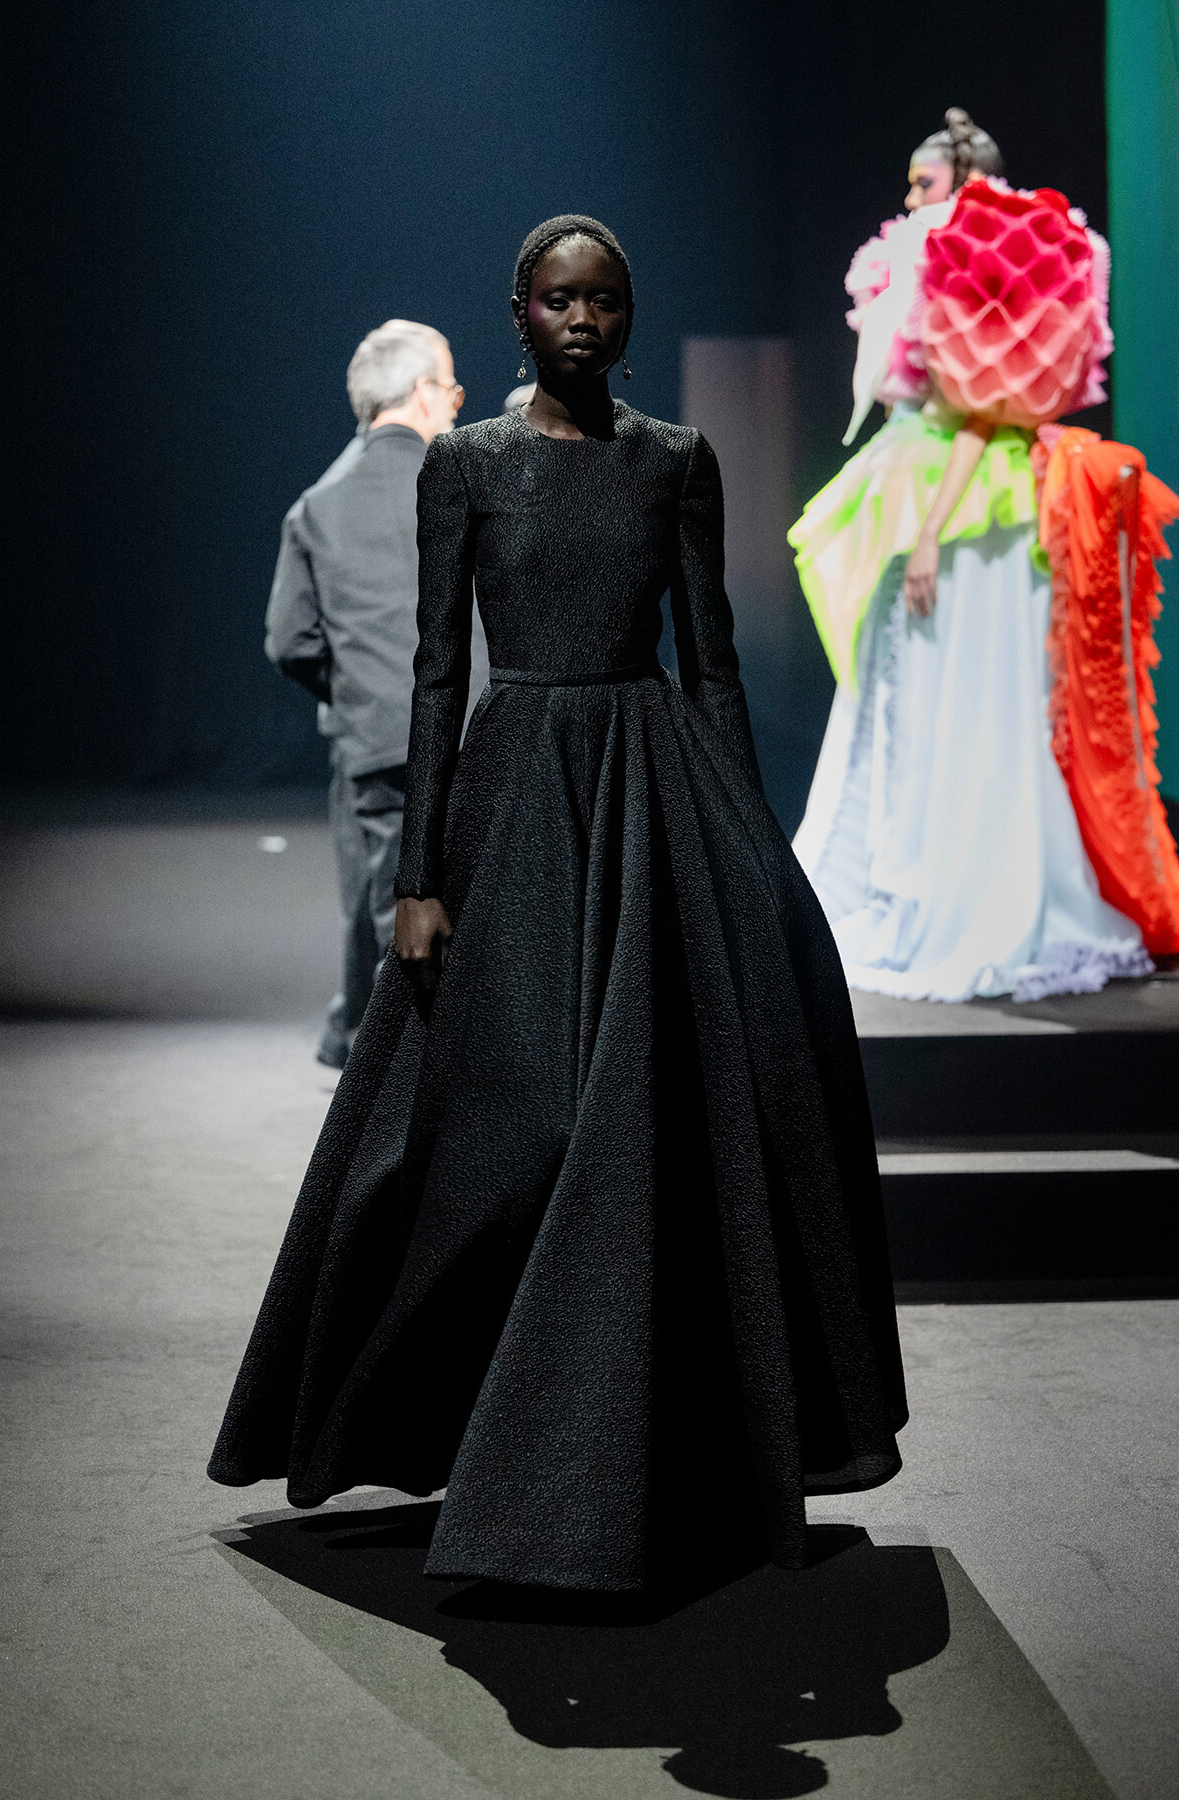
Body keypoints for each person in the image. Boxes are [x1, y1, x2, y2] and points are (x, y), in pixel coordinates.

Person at [209, 215, 907, 1591]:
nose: (584, 322)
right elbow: (425, 675)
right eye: (558, 301)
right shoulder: (466, 468)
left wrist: (751, 852)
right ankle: (463, 1426)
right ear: (519, 314)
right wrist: (416, 880)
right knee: (500, 1129)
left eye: (605, 301)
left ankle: (599, 1466)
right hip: (514, 796)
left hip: (653, 800)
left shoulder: (675, 463)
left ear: (627, 315)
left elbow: (710, 666)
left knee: (641, 1125)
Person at [791, 110, 1179, 1003]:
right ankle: (915, 875)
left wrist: (931, 527)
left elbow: (985, 406)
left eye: (924, 184)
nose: (910, 197)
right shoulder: (941, 257)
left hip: (972, 500)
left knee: (967, 698)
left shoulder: (994, 256)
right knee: (918, 697)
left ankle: (961, 887)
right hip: (941, 484)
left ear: (964, 186)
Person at [264, 320, 482, 1068]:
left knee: (387, 906)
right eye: (450, 385)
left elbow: (288, 641)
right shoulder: (472, 480)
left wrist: (353, 691)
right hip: (483, 731)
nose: (458, 401)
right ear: (422, 392)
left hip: (380, 741)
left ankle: (376, 1062)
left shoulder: (317, 505)